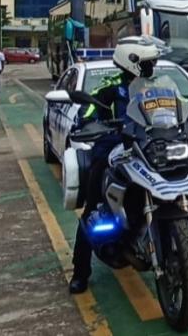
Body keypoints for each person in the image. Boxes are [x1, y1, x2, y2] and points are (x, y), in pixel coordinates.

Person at [69, 36, 161, 294]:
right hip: (113, 153)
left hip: (146, 151)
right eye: (148, 63)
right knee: (91, 212)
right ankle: (80, 272)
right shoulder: (109, 89)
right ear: (132, 63)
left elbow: (179, 106)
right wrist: (93, 123)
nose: (152, 67)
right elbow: (86, 114)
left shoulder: (154, 87)